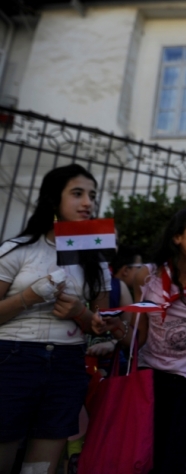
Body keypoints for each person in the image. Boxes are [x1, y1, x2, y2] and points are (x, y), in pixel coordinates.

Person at [99, 206, 186, 474]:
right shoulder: (145, 276)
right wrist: (116, 330)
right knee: (145, 454)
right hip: (149, 377)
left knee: (173, 460)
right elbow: (140, 336)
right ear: (177, 237)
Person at [0, 164, 110, 474]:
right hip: (13, 359)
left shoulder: (96, 259)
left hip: (67, 363)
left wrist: (81, 313)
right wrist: (28, 298)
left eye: (92, 195)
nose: (88, 202)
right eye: (77, 194)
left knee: (41, 466)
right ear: (53, 199)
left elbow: (101, 325)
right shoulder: (18, 250)